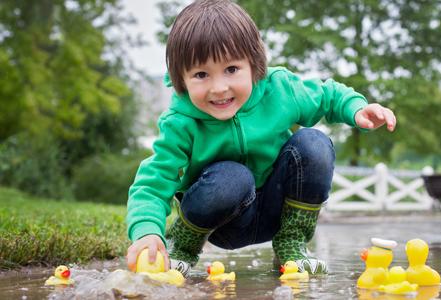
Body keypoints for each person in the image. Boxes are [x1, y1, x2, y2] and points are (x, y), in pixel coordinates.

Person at [125, 0, 396, 277]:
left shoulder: (279, 89)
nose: (219, 88)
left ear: (254, 64)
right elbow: (153, 182)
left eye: (231, 69)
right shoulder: (180, 122)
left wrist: (357, 108)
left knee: (314, 143)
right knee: (232, 176)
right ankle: (182, 246)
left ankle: (292, 244)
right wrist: (146, 231)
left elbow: (327, 95)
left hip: (276, 211)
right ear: (180, 79)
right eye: (201, 74)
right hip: (221, 221)